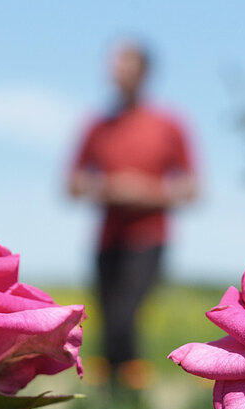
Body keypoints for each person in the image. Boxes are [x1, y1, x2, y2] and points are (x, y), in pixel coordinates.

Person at [68, 40, 198, 388]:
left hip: (149, 239)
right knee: (108, 321)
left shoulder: (168, 125)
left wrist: (143, 191)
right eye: (112, 64)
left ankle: (129, 394)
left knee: (126, 319)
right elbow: (73, 184)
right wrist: (108, 188)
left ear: (143, 72)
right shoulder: (97, 127)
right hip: (107, 240)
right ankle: (112, 401)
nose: (115, 71)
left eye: (124, 63)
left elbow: (191, 189)